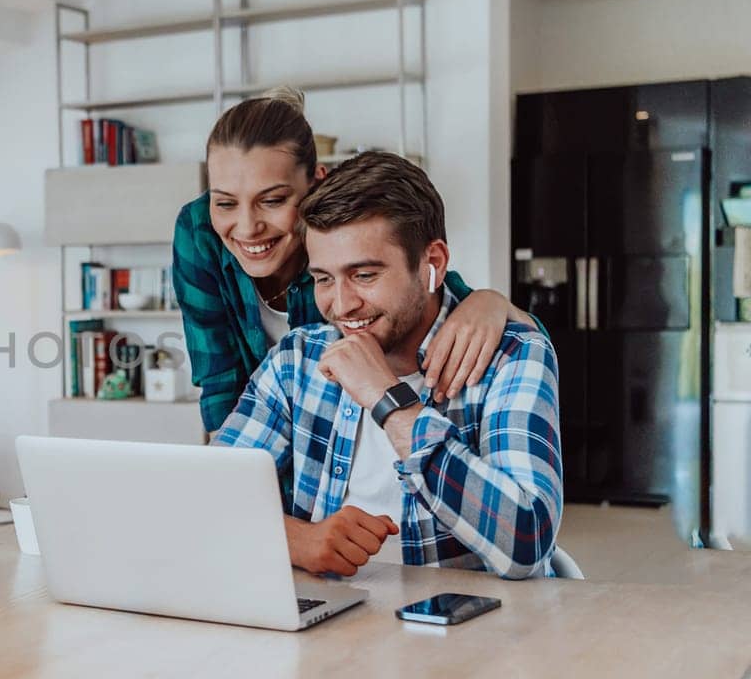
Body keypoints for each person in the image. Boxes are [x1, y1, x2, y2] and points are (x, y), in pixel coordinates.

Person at [214, 151, 563, 579]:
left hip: (469, 630)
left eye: (364, 275)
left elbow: (526, 544)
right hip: (330, 623)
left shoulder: (510, 354)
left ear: (431, 264)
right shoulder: (297, 359)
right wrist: (297, 540)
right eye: (324, 278)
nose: (341, 306)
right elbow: (209, 499)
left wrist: (389, 400)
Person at [172, 87, 536, 439]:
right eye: (224, 202)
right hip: (263, 429)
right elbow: (219, 382)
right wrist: (233, 470)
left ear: (316, 185)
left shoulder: (345, 242)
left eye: (273, 200)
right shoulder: (199, 233)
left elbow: (435, 292)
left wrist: (491, 301)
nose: (248, 228)